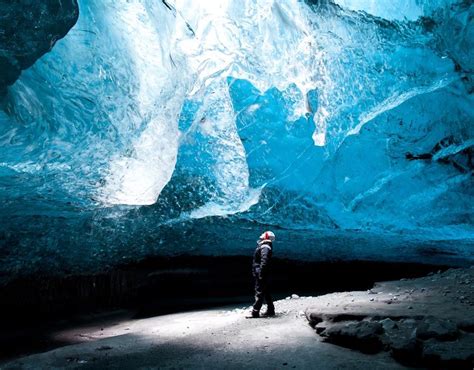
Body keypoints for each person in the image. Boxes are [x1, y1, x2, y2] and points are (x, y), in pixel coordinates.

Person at [250, 231, 276, 318]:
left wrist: (261, 274)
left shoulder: (265, 247)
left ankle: (255, 312)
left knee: (259, 292)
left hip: (261, 273)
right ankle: (271, 310)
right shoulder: (266, 246)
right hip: (263, 273)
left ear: (266, 237)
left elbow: (264, 261)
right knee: (266, 291)